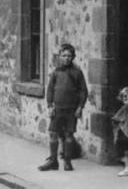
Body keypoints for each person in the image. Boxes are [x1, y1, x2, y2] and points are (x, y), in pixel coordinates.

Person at [38, 43, 87, 172]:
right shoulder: (56, 72)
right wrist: (50, 106)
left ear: (73, 57)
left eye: (69, 56)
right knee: (53, 134)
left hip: (71, 109)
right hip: (57, 109)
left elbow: (83, 91)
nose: (66, 58)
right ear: (60, 56)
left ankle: (67, 161)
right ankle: (53, 161)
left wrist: (80, 107)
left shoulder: (77, 73)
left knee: (69, 135)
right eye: (64, 55)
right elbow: (50, 90)